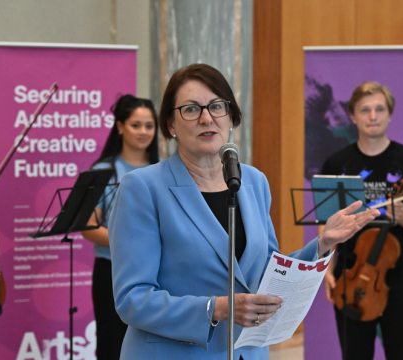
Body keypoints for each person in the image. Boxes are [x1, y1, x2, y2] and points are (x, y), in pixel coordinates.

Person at [107, 64, 379, 360]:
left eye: (217, 106)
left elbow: (266, 273)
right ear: (171, 124)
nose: (206, 117)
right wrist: (217, 308)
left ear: (231, 116)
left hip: (247, 352)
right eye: (191, 109)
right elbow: (132, 300)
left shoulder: (252, 181)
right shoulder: (143, 188)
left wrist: (323, 243)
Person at [320, 81, 403, 360]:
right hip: (350, 275)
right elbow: (326, 224)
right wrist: (325, 267)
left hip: (400, 278)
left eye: (380, 109)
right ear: (353, 116)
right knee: (355, 354)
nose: (373, 116)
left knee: (402, 353)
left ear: (390, 114)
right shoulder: (337, 164)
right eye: (365, 110)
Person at [81, 94, 159, 360]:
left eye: (149, 126)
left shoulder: (162, 171)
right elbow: (88, 227)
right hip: (111, 272)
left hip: (156, 273)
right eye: (136, 125)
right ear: (120, 127)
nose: (143, 132)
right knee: (111, 345)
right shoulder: (102, 171)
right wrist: (131, 243)